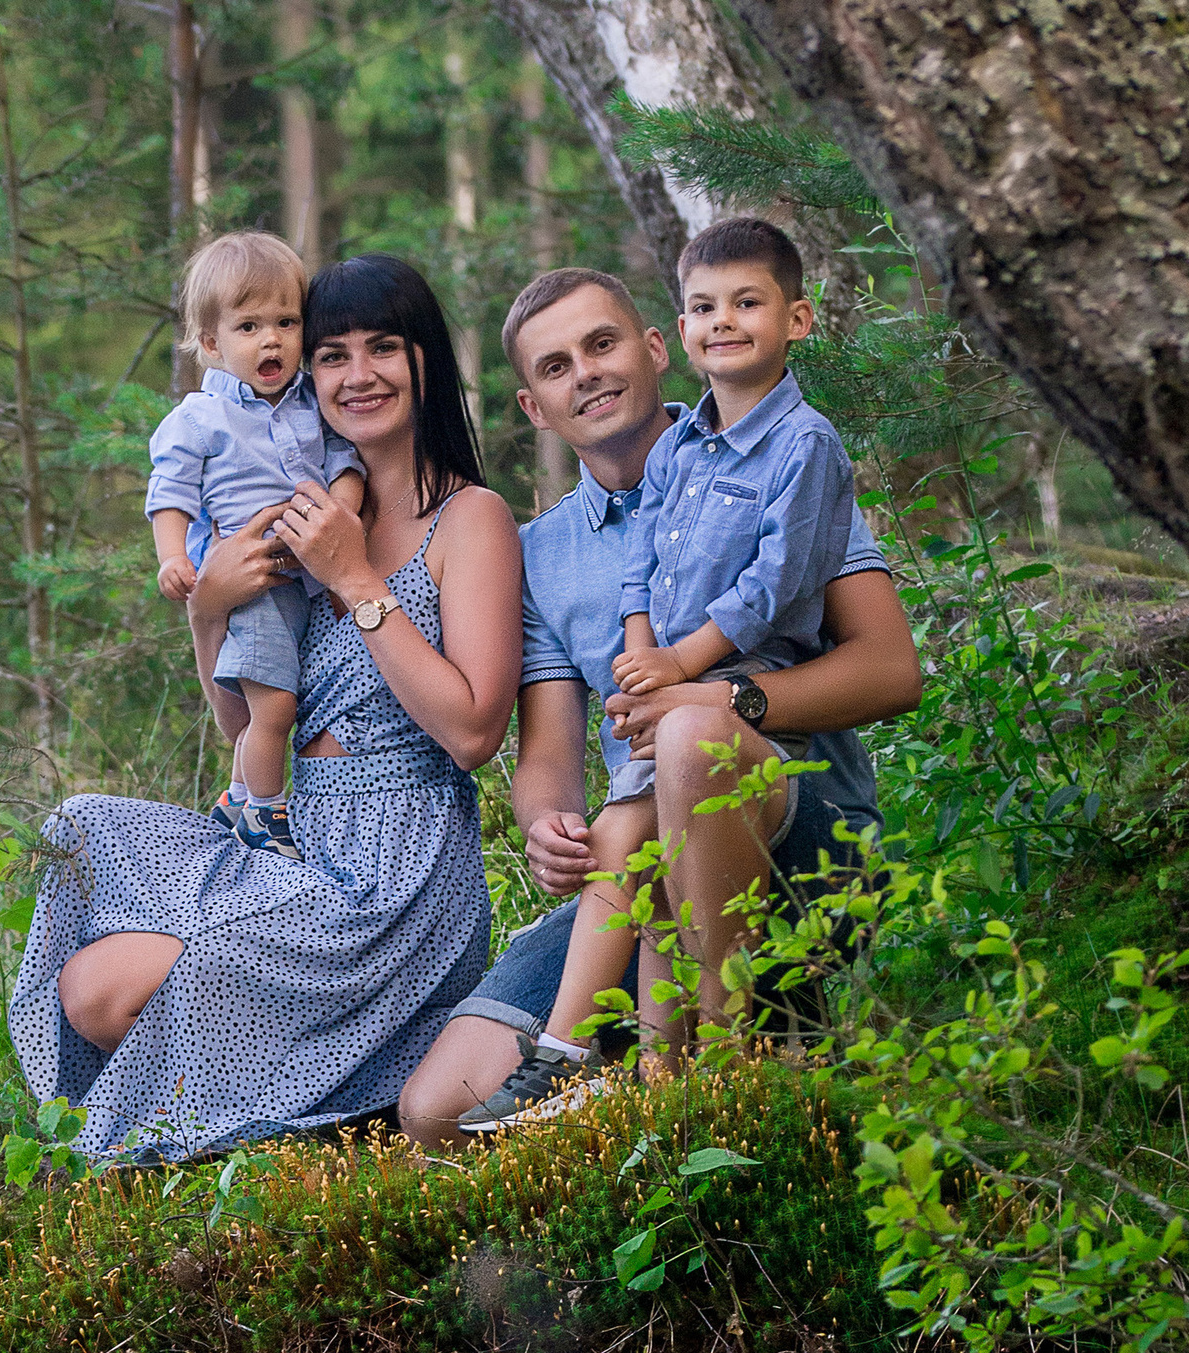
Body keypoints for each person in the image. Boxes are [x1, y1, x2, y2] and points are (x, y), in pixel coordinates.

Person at [10, 255, 523, 1164]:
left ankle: (322, 1097)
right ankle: (270, 1103)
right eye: (332, 355)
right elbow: (238, 725)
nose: (357, 374)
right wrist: (208, 608)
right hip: (286, 833)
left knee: (114, 991)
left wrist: (354, 578)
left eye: (383, 348)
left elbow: (475, 732)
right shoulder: (294, 505)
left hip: (392, 871)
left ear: (425, 358)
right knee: (81, 849)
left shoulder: (468, 516)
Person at [395, 262, 922, 1146]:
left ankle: (714, 1063)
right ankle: (639, 1078)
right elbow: (549, 755)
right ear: (534, 407)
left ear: (654, 348)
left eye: (602, 344)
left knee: (689, 739)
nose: (586, 373)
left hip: (802, 835)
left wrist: (716, 698)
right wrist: (546, 823)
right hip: (637, 858)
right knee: (438, 1108)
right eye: (556, 366)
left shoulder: (776, 462)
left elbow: (891, 671)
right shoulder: (542, 553)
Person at [149, 232, 370, 860]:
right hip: (253, 587)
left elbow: (345, 460)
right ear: (212, 345)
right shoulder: (199, 418)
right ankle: (266, 815)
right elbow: (170, 492)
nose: (270, 340)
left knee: (269, 705)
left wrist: (341, 512)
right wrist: (173, 557)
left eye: (286, 323)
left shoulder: (312, 404)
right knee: (273, 709)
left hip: (304, 580)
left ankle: (237, 797)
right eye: (248, 327)